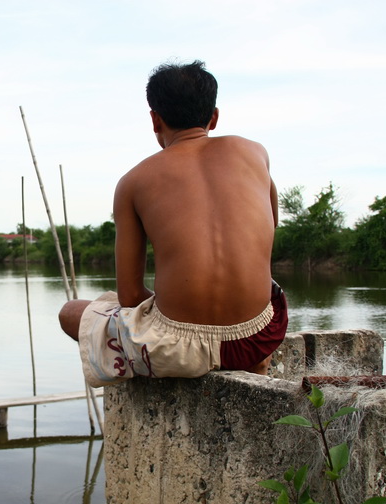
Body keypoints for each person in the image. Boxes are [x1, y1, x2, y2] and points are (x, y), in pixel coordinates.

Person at [58, 60, 288, 387]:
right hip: (258, 335)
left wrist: (175, 307)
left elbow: (130, 295)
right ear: (214, 117)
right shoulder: (254, 152)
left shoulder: (133, 182)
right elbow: (269, 231)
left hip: (174, 349)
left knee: (71, 311)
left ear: (155, 120)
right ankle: (254, 364)